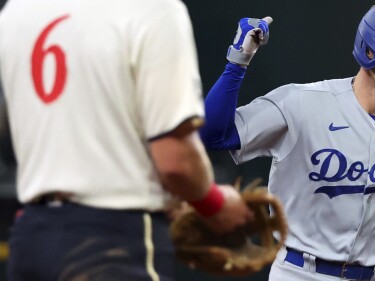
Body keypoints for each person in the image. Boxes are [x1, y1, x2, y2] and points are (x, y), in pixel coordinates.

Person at [200, 2, 375, 281]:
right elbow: (214, 135)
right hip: (301, 273)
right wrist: (238, 61)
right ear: (370, 49)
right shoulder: (301, 104)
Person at [0, 0, 253, 280]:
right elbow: (175, 162)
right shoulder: (153, 10)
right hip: (110, 241)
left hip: (32, 237)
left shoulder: (17, 12)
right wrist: (214, 204)